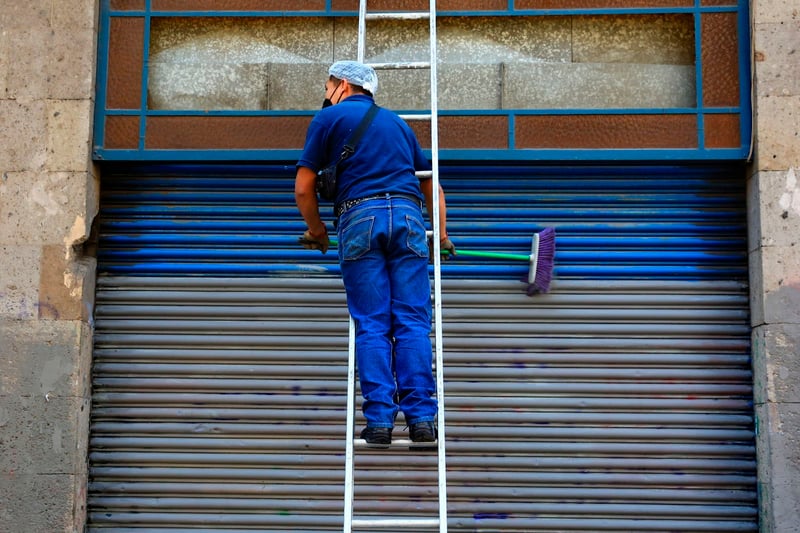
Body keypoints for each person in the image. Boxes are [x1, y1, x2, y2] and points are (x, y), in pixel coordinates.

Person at [294, 60, 455, 447]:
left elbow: (303, 187)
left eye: (329, 84)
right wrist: (443, 234)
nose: (326, 91)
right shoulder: (399, 124)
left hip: (359, 217)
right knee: (413, 323)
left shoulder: (327, 120)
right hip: (408, 217)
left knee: (372, 324)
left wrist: (318, 232)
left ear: (343, 85)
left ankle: (380, 421)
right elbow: (431, 183)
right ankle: (422, 419)